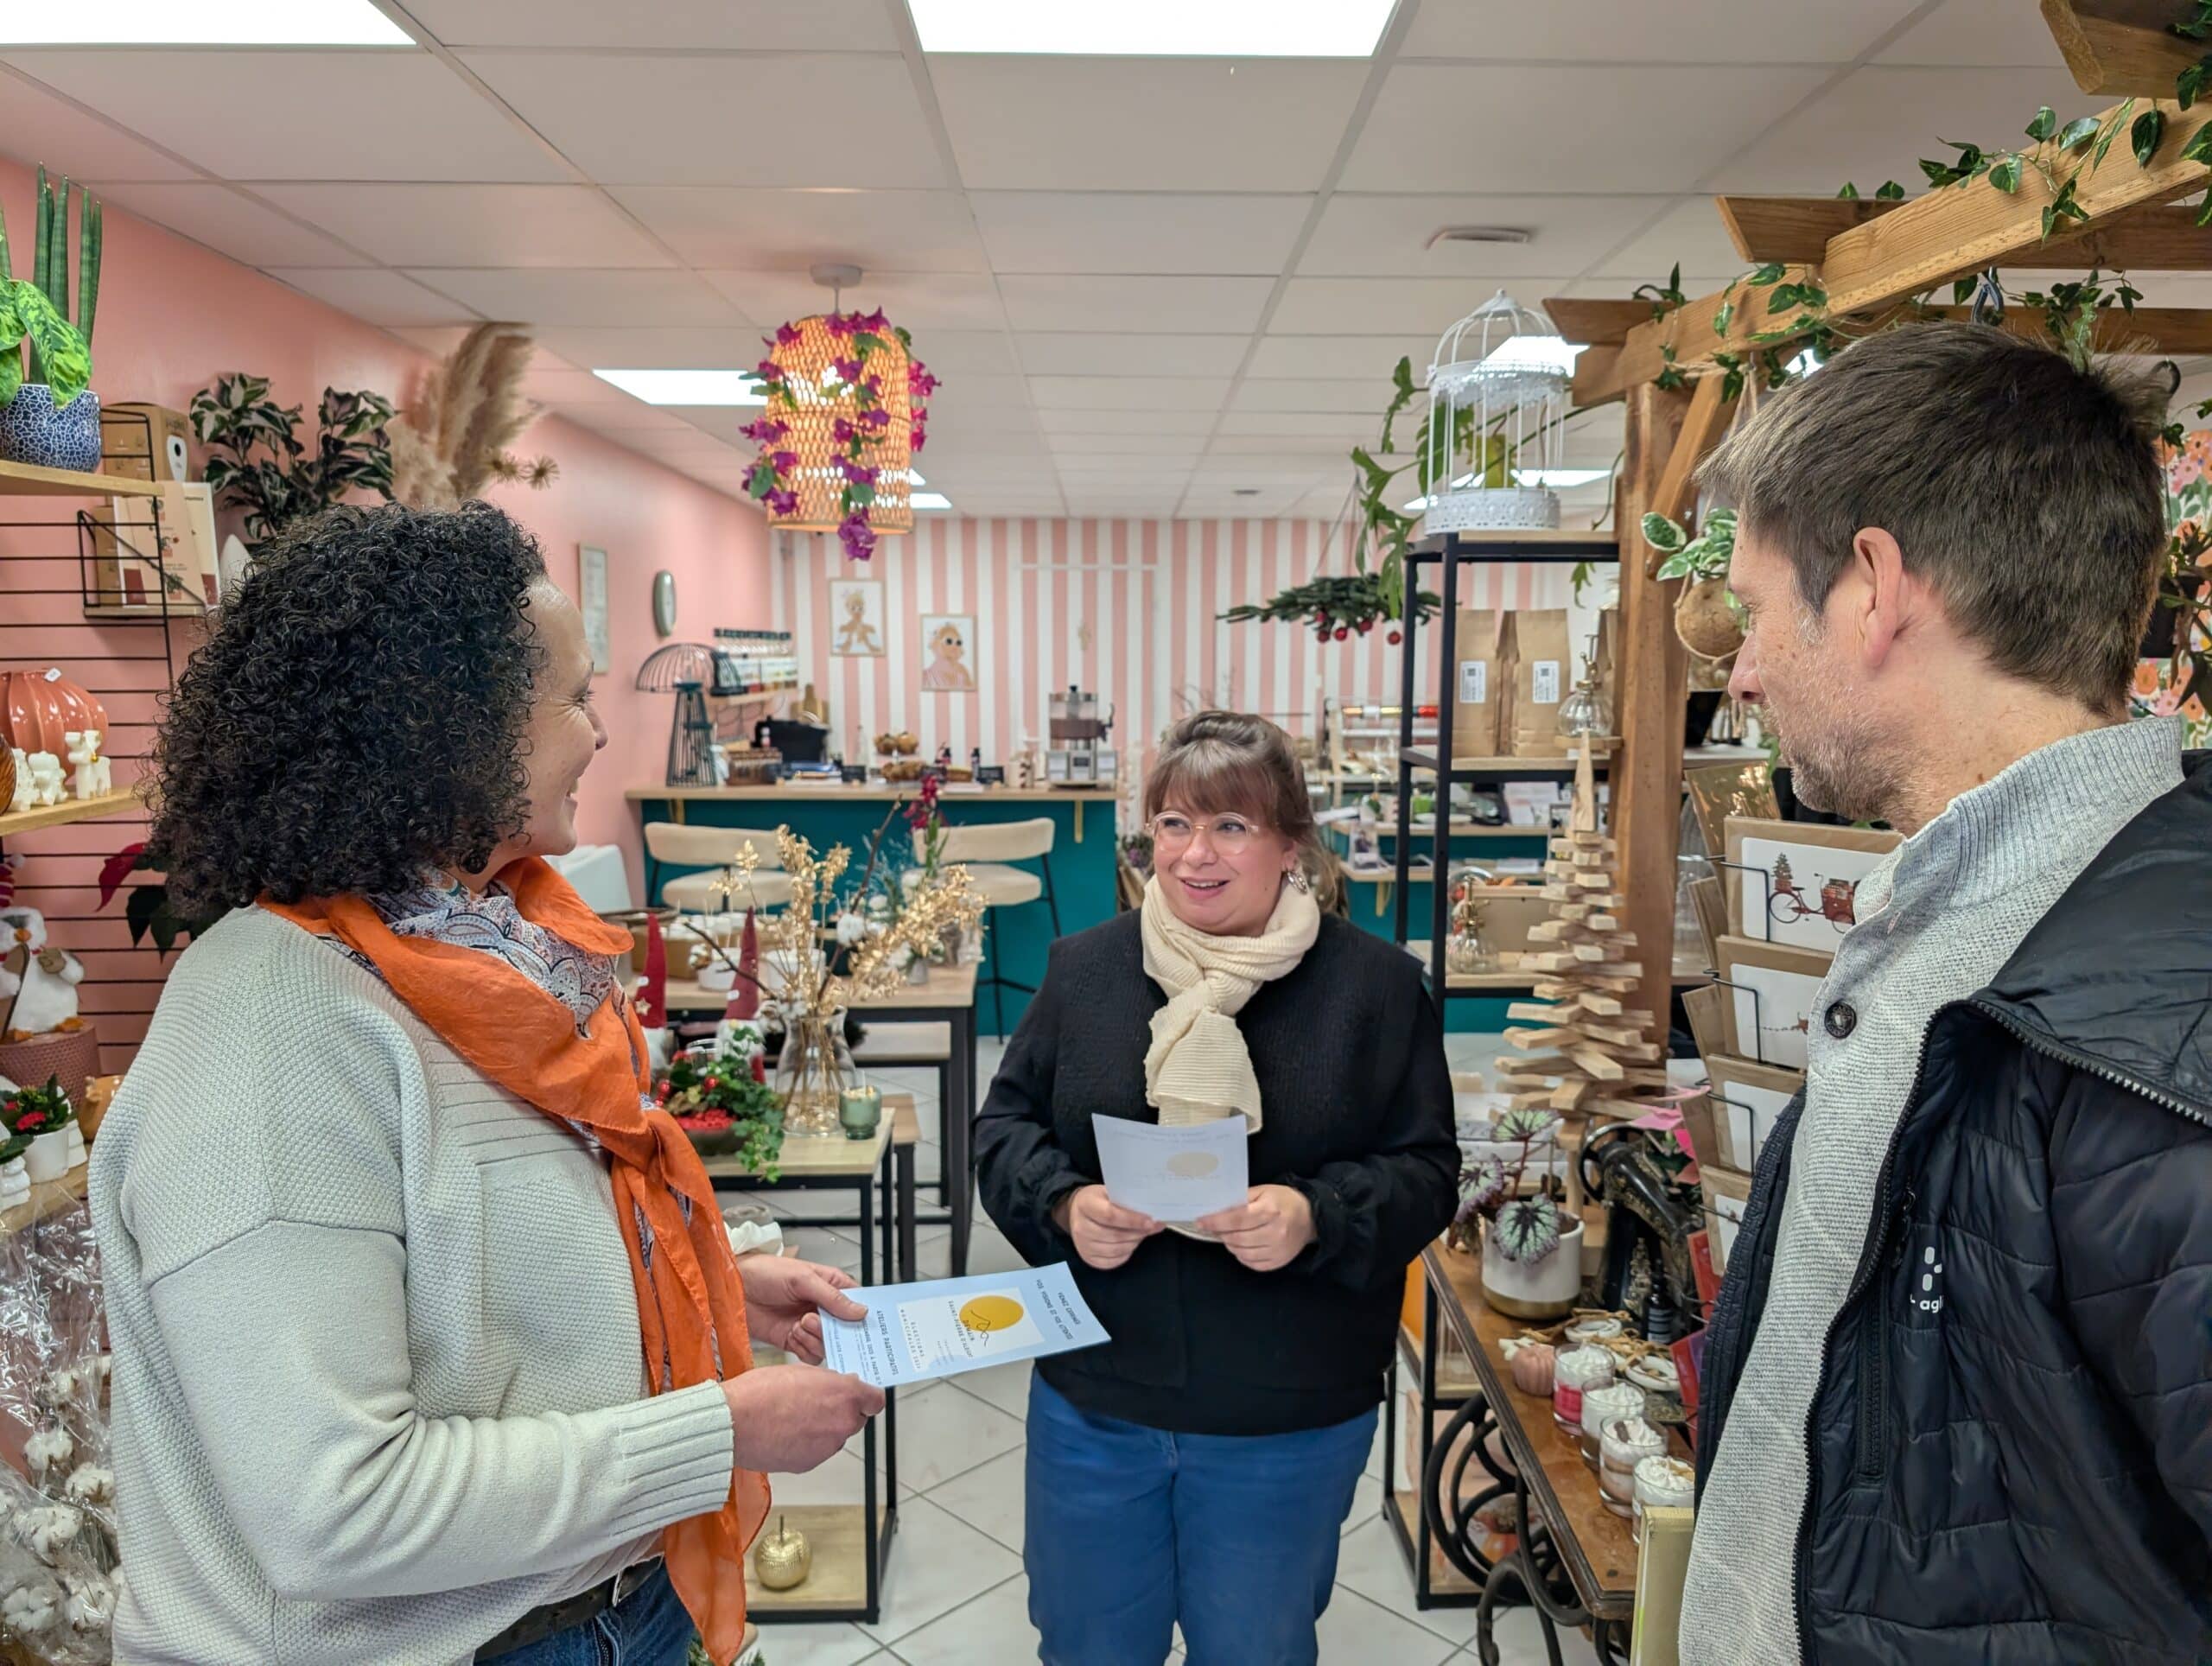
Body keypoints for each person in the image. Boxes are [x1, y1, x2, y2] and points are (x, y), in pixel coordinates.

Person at [88, 503, 886, 1666]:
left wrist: (712, 1281)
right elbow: (336, 1507)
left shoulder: (492, 956)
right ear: (447, 730)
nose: (599, 733)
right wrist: (715, 1432)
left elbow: (475, 1270)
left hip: (614, 1604)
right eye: (573, 698)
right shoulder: (273, 1031)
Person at [1680, 323, 2212, 1663]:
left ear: (1872, 590)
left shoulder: (2161, 1021)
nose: (1742, 672)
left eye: (1754, 612)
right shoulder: (1957, 917)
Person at [975, 709, 1458, 1666]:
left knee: (1253, 1649)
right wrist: (1066, 1203)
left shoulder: (1376, 989)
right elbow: (1003, 1131)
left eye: (1231, 825)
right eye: (1174, 824)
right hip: (1097, 1394)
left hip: (1285, 1410)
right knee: (1086, 1644)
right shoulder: (1086, 969)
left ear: (1291, 844)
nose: (1196, 854)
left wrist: (1315, 1214)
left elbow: (1428, 1171)